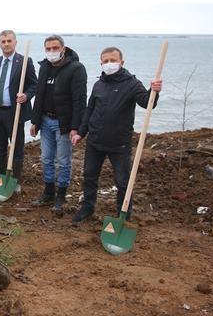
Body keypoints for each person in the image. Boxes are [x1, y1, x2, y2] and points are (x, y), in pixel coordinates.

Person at [71, 47, 162, 222]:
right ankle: (87, 208)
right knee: (89, 176)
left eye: (112, 60)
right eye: (105, 61)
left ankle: (123, 214)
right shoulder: (99, 84)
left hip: (119, 144)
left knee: (122, 182)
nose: (109, 64)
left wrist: (154, 92)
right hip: (95, 141)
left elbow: (146, 102)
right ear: (101, 63)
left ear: (121, 62)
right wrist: (80, 133)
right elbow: (90, 110)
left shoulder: (132, 83)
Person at [30, 34, 87, 215]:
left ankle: (61, 195)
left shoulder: (76, 68)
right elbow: (39, 96)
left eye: (55, 48)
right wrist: (35, 121)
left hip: (64, 123)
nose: (52, 52)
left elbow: (79, 100)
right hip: (45, 121)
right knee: (46, 158)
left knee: (63, 161)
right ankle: (48, 191)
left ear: (63, 49)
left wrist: (75, 126)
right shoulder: (44, 67)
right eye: (48, 49)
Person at [0, 30, 37, 185]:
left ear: (15, 42)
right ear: (0, 43)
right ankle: (0, 181)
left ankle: (15, 182)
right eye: (3, 41)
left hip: (15, 113)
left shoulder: (24, 61)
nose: (6, 44)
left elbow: (34, 84)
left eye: (9, 41)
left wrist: (26, 96)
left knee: (16, 149)